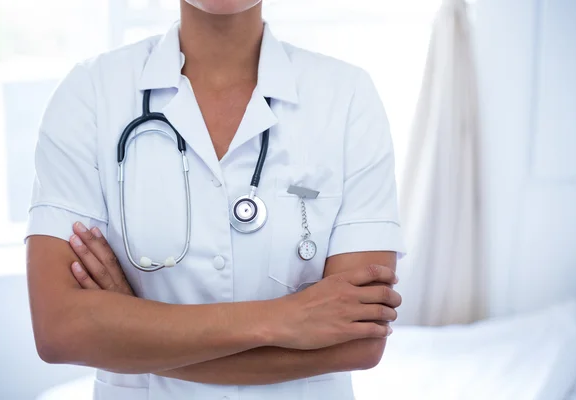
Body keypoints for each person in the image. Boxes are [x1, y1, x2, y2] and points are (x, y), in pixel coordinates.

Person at [25, 1, 406, 399]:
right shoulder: (90, 93)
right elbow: (60, 330)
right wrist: (286, 318)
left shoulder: (346, 98)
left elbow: (359, 342)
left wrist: (134, 325)